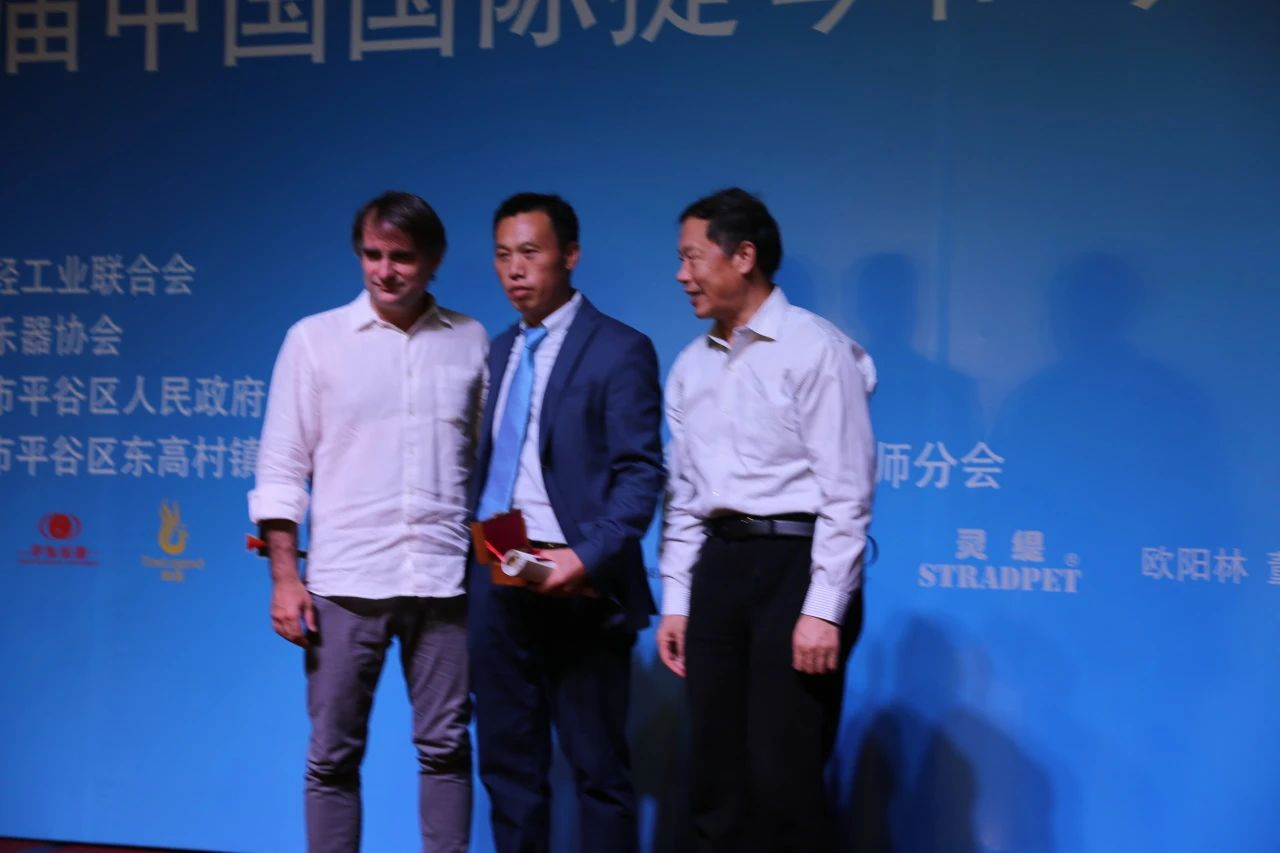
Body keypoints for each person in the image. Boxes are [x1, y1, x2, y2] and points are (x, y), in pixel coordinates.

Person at [249, 191, 487, 853]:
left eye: (401, 257)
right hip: (344, 583)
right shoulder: (314, 340)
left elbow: (485, 464)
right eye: (372, 254)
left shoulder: (470, 341)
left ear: (434, 259)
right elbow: (281, 465)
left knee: (446, 749)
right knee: (332, 757)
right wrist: (285, 579)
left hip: (443, 583)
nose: (384, 270)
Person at [655, 187, 877, 851]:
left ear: (743, 256)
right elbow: (684, 497)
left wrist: (824, 609)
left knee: (785, 777)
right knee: (715, 778)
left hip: (795, 566)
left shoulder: (814, 347)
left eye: (693, 257)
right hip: (719, 567)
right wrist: (677, 601)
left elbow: (847, 490)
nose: (681, 274)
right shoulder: (689, 366)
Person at [468, 192, 664, 853]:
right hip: (496, 570)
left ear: (571, 255)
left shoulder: (620, 349)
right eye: (502, 255)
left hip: (579, 579)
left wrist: (586, 556)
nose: (514, 269)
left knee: (597, 768)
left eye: (530, 252)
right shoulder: (497, 352)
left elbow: (641, 475)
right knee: (508, 767)